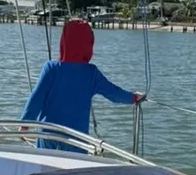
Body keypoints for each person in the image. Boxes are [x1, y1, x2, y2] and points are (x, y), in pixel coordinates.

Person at [20, 18, 145, 151]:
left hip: (49, 134)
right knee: (74, 170)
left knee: (45, 169)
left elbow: (36, 98)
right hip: (77, 138)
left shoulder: (51, 68)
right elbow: (113, 93)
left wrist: (24, 124)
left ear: (63, 41)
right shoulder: (91, 73)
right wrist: (133, 97)